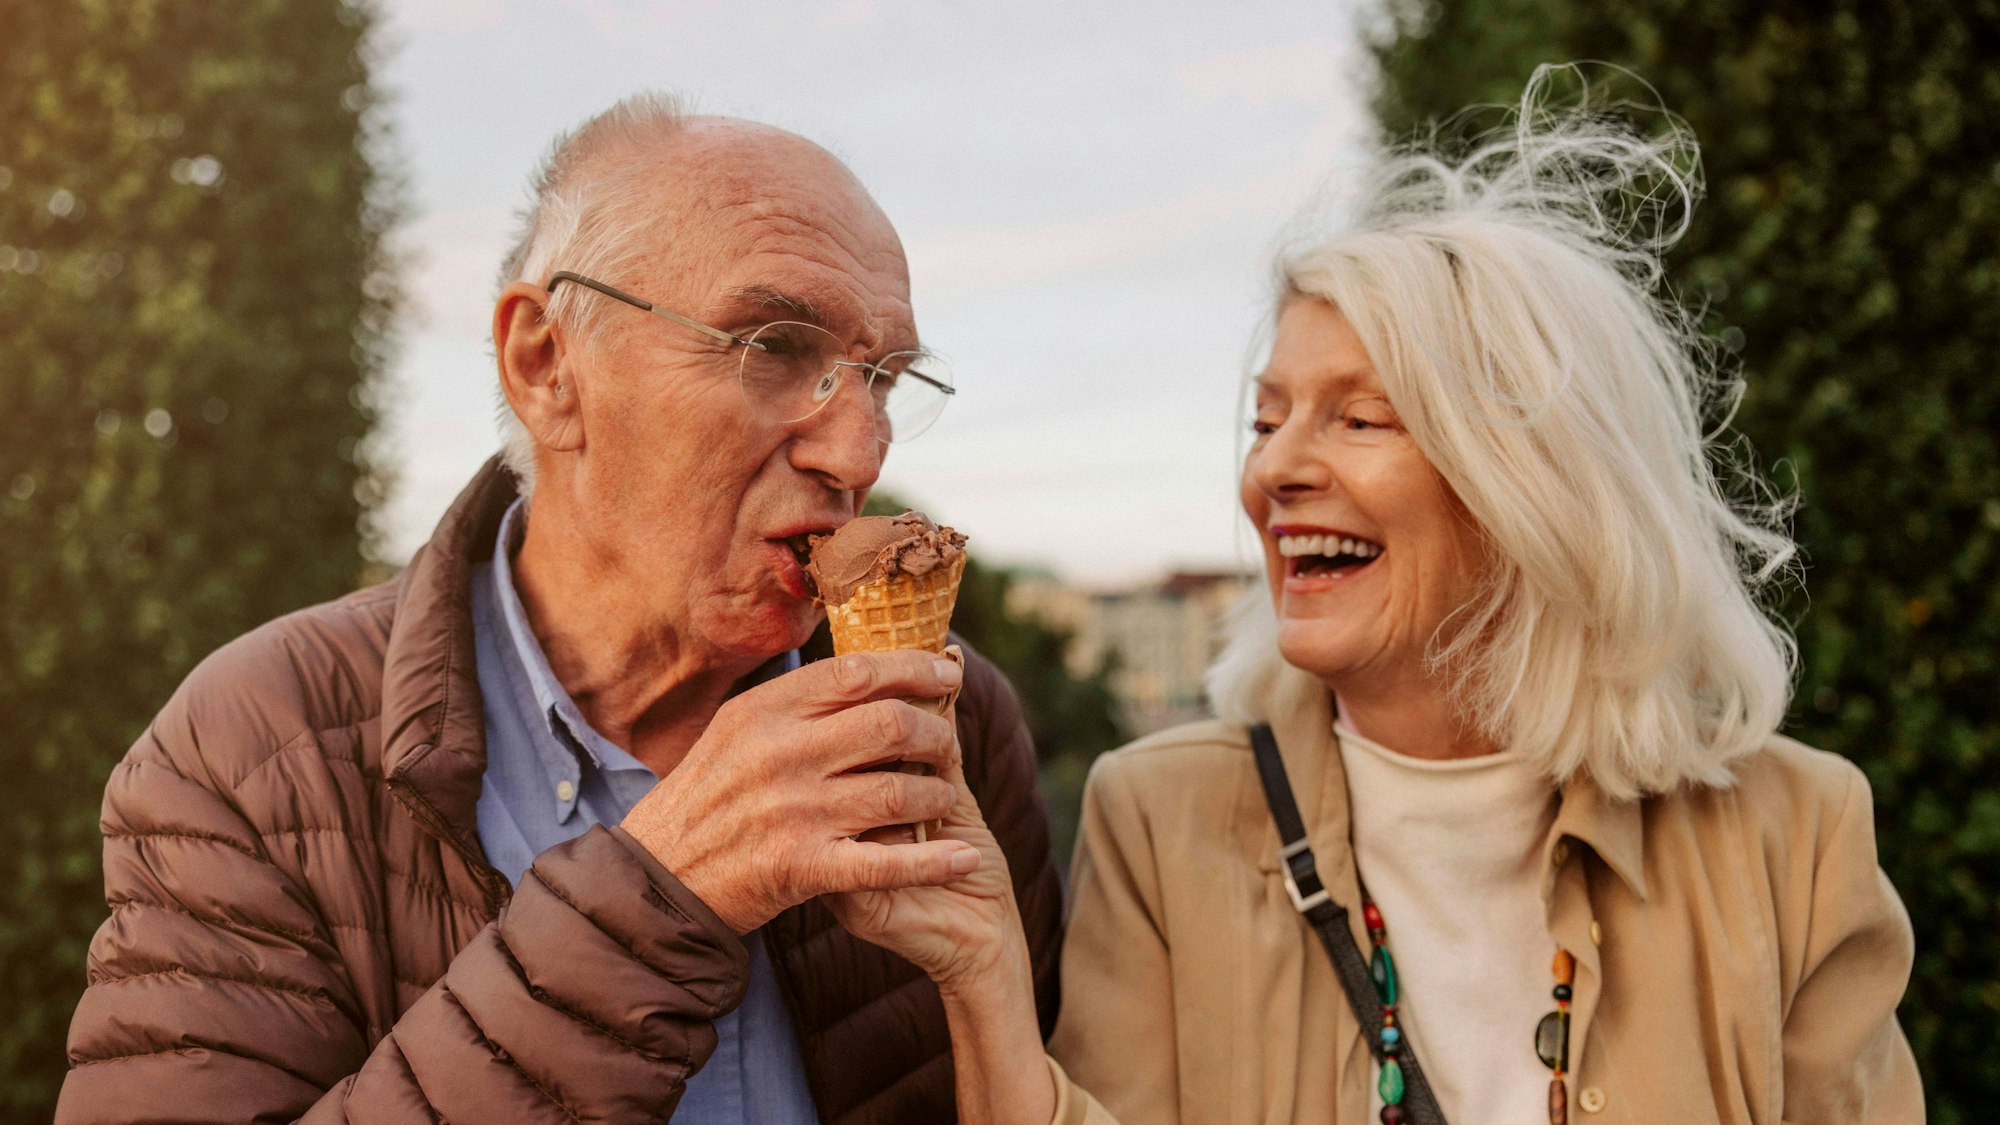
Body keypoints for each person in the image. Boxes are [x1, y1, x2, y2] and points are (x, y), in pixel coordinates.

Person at [839, 74, 1923, 1124]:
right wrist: (980, 979)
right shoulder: (1159, 817)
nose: (1273, 473)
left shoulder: (1795, 835)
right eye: (1266, 423)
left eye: (1359, 420)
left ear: (1530, 485)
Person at [57, 94, 1064, 1125]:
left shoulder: (950, 720)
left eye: (882, 378)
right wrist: (655, 900)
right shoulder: (251, 747)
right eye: (772, 347)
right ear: (545, 364)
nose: (856, 454)